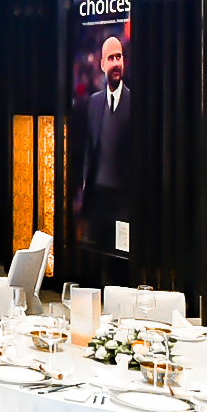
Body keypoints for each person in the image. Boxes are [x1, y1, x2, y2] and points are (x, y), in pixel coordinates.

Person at [72, 35, 134, 251]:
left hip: (124, 202)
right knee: (96, 255)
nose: (116, 63)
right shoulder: (94, 102)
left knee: (121, 258)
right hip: (97, 200)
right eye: (111, 58)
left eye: (119, 57)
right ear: (102, 65)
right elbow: (89, 150)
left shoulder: (135, 103)